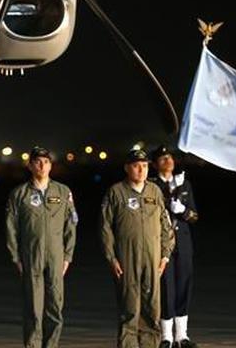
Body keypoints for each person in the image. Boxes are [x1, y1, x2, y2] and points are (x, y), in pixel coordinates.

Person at [100, 149, 175, 348]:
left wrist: (165, 256)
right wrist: (112, 257)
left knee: (152, 308)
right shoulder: (116, 192)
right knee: (130, 308)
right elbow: (105, 227)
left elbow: (166, 225)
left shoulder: (155, 191)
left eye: (144, 165)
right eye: (136, 165)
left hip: (152, 258)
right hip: (127, 258)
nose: (141, 170)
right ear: (127, 168)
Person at [5, 146, 78, 348]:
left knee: (55, 307)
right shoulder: (19, 194)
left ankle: (51, 345)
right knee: (33, 308)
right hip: (30, 256)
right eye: (37, 161)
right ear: (30, 165)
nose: (42, 165)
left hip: (56, 256)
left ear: (51, 165)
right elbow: (11, 228)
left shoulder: (63, 192)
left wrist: (67, 257)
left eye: (46, 161)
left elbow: (70, 226)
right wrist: (16, 258)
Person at [150, 146, 199, 348]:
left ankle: (182, 336)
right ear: (155, 164)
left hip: (183, 241)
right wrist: (173, 194)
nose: (168, 161)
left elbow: (194, 216)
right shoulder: (152, 185)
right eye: (162, 159)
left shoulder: (184, 183)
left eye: (169, 157)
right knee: (165, 287)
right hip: (162, 242)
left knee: (183, 284)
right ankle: (166, 337)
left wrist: (183, 210)